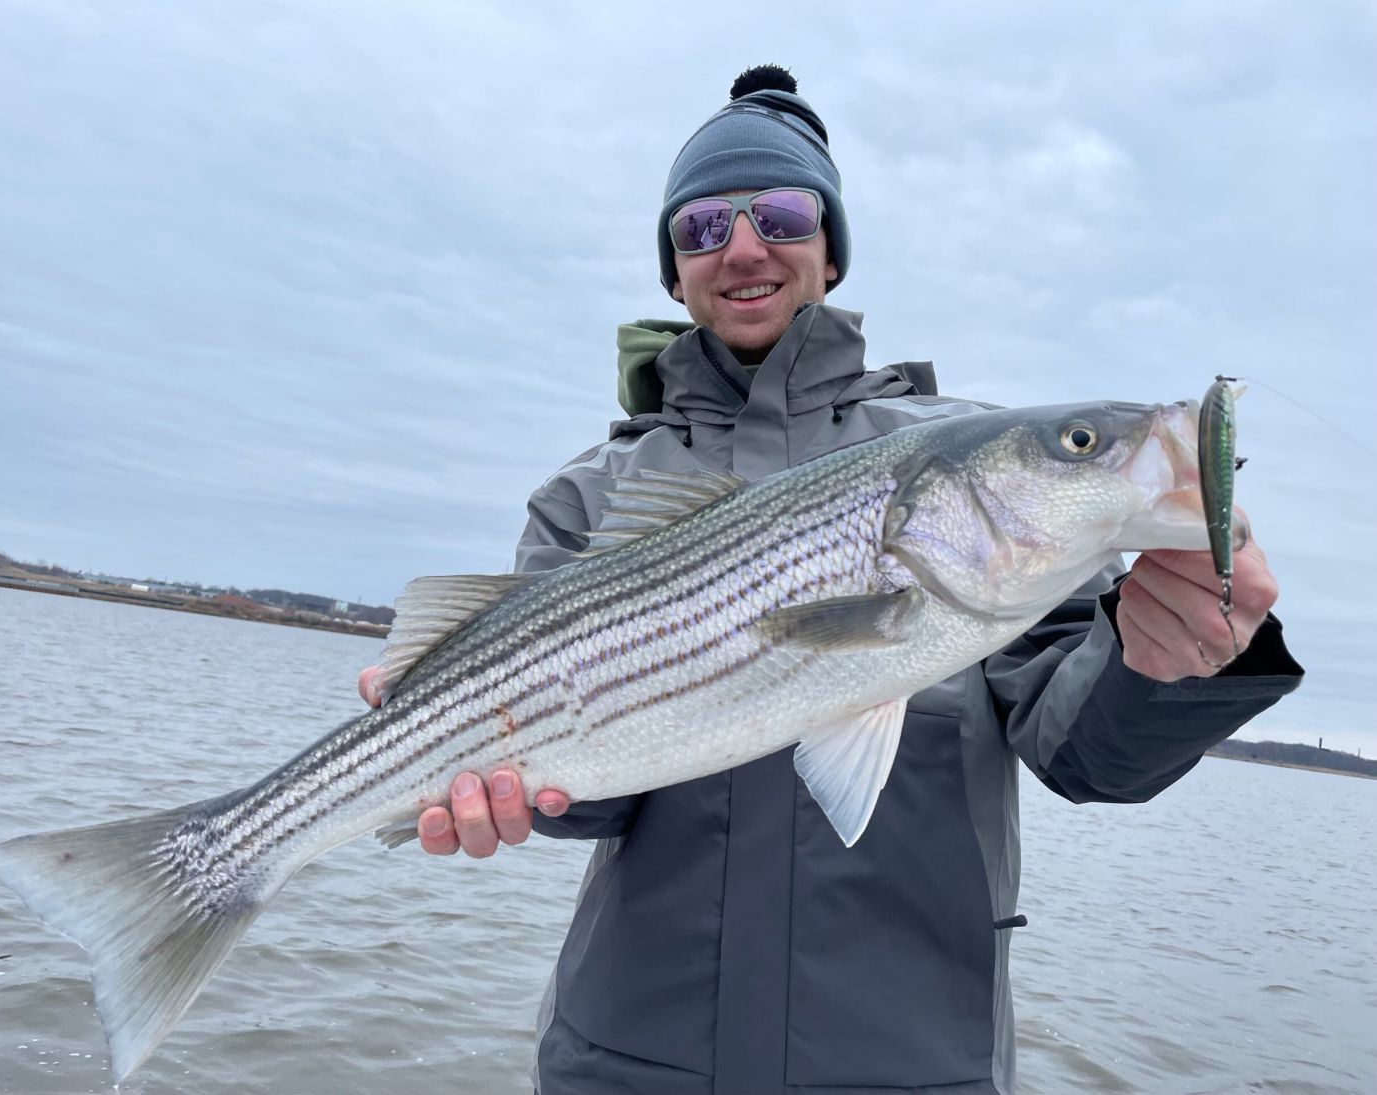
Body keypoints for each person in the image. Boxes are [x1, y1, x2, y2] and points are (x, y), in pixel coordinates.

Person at [360, 65, 1302, 1095]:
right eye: (702, 229)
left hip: (907, 1067)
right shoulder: (590, 493)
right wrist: (508, 785)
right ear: (673, 274)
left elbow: (1085, 759)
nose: (744, 248)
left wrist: (1163, 669)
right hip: (626, 1063)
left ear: (831, 250)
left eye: (779, 213)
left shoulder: (966, 461)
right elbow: (594, 795)